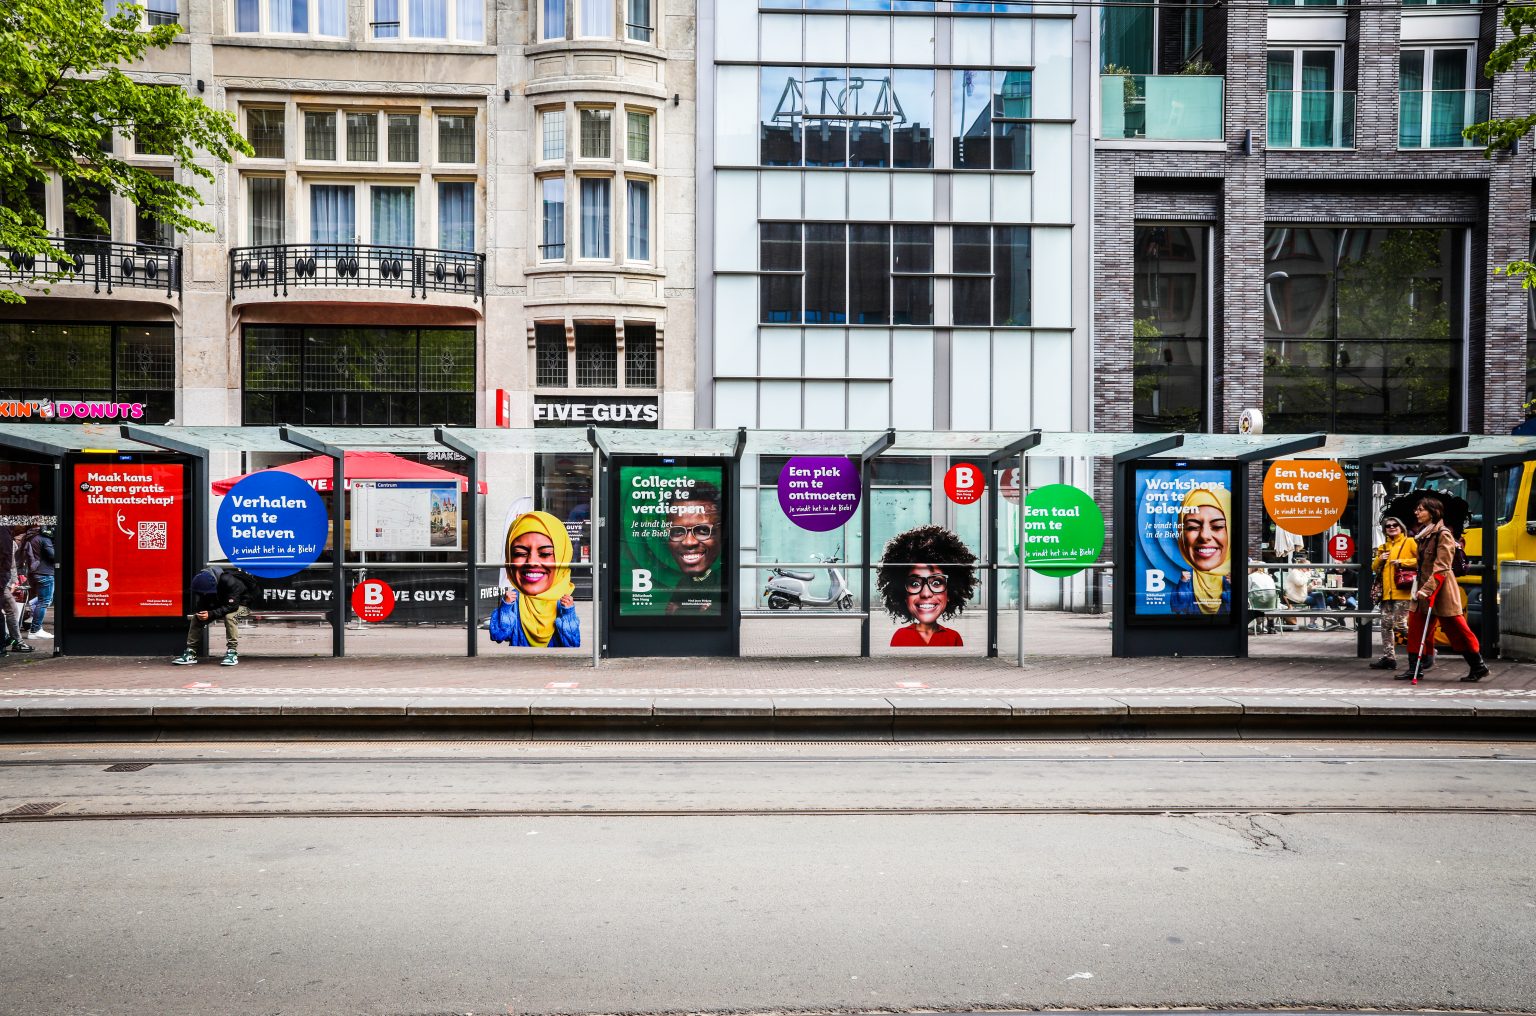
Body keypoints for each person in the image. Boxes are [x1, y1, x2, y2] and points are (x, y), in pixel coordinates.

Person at [1402, 497, 1488, 682]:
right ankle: (1414, 668)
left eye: (1421, 509)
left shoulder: (1443, 534)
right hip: (1422, 589)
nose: (1417, 513)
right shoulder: (1423, 534)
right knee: (1416, 626)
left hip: (1441, 590)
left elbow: (1442, 566)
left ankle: (1478, 666)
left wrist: (1427, 589)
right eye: (1417, 509)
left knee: (1457, 628)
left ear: (1433, 512)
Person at [490, 510, 580, 648]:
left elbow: (573, 643)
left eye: (545, 554)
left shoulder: (562, 600)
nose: (532, 562)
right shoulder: (515, 599)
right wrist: (506, 608)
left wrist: (568, 612)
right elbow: (498, 635)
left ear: (562, 557)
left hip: (554, 666)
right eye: (520, 553)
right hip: (520, 666)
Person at [878, 525, 978, 647]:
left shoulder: (953, 638)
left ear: (950, 592)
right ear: (904, 595)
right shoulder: (900, 637)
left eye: (936, 583)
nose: (926, 593)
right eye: (914, 584)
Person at [173, 566, 257, 666]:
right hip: (222, 603)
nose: (203, 594)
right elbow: (202, 603)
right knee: (197, 617)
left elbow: (232, 607)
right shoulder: (204, 583)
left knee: (229, 617)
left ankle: (232, 652)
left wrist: (211, 614)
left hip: (242, 604)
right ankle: (191, 652)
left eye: (205, 593)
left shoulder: (229, 582)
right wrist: (201, 613)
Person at [1170, 484, 1230, 616]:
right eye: (1192, 527)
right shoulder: (1188, 577)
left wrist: (1231, 587)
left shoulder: (1231, 577)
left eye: (1218, 526)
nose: (1204, 536)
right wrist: (1183, 583)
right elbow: (1177, 607)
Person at [664, 483, 723, 615]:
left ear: (721, 533)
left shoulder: (721, 582)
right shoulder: (683, 582)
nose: (689, 542)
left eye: (703, 530)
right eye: (677, 531)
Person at [1368, 515, 1418, 670]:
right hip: (1386, 593)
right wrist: (1380, 559)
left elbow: (1422, 561)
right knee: (1385, 625)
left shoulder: (1409, 542)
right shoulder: (1384, 547)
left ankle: (1426, 650)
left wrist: (1403, 562)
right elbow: (1374, 568)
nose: (1391, 527)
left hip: (1402, 592)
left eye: (1395, 525)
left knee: (1400, 625)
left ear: (1401, 527)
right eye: (1388, 526)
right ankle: (1389, 657)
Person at [0, 525, 34, 656]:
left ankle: (11, 638)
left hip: (5, 579)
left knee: (11, 608)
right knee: (12, 609)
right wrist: (11, 582)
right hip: (4, 581)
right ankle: (15, 640)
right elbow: (10, 563)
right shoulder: (7, 537)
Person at [23, 525, 54, 640]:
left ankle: (33, 608)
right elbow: (54, 556)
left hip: (37, 572)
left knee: (45, 600)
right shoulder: (44, 539)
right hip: (45, 573)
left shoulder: (32, 537)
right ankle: (35, 630)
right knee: (44, 602)